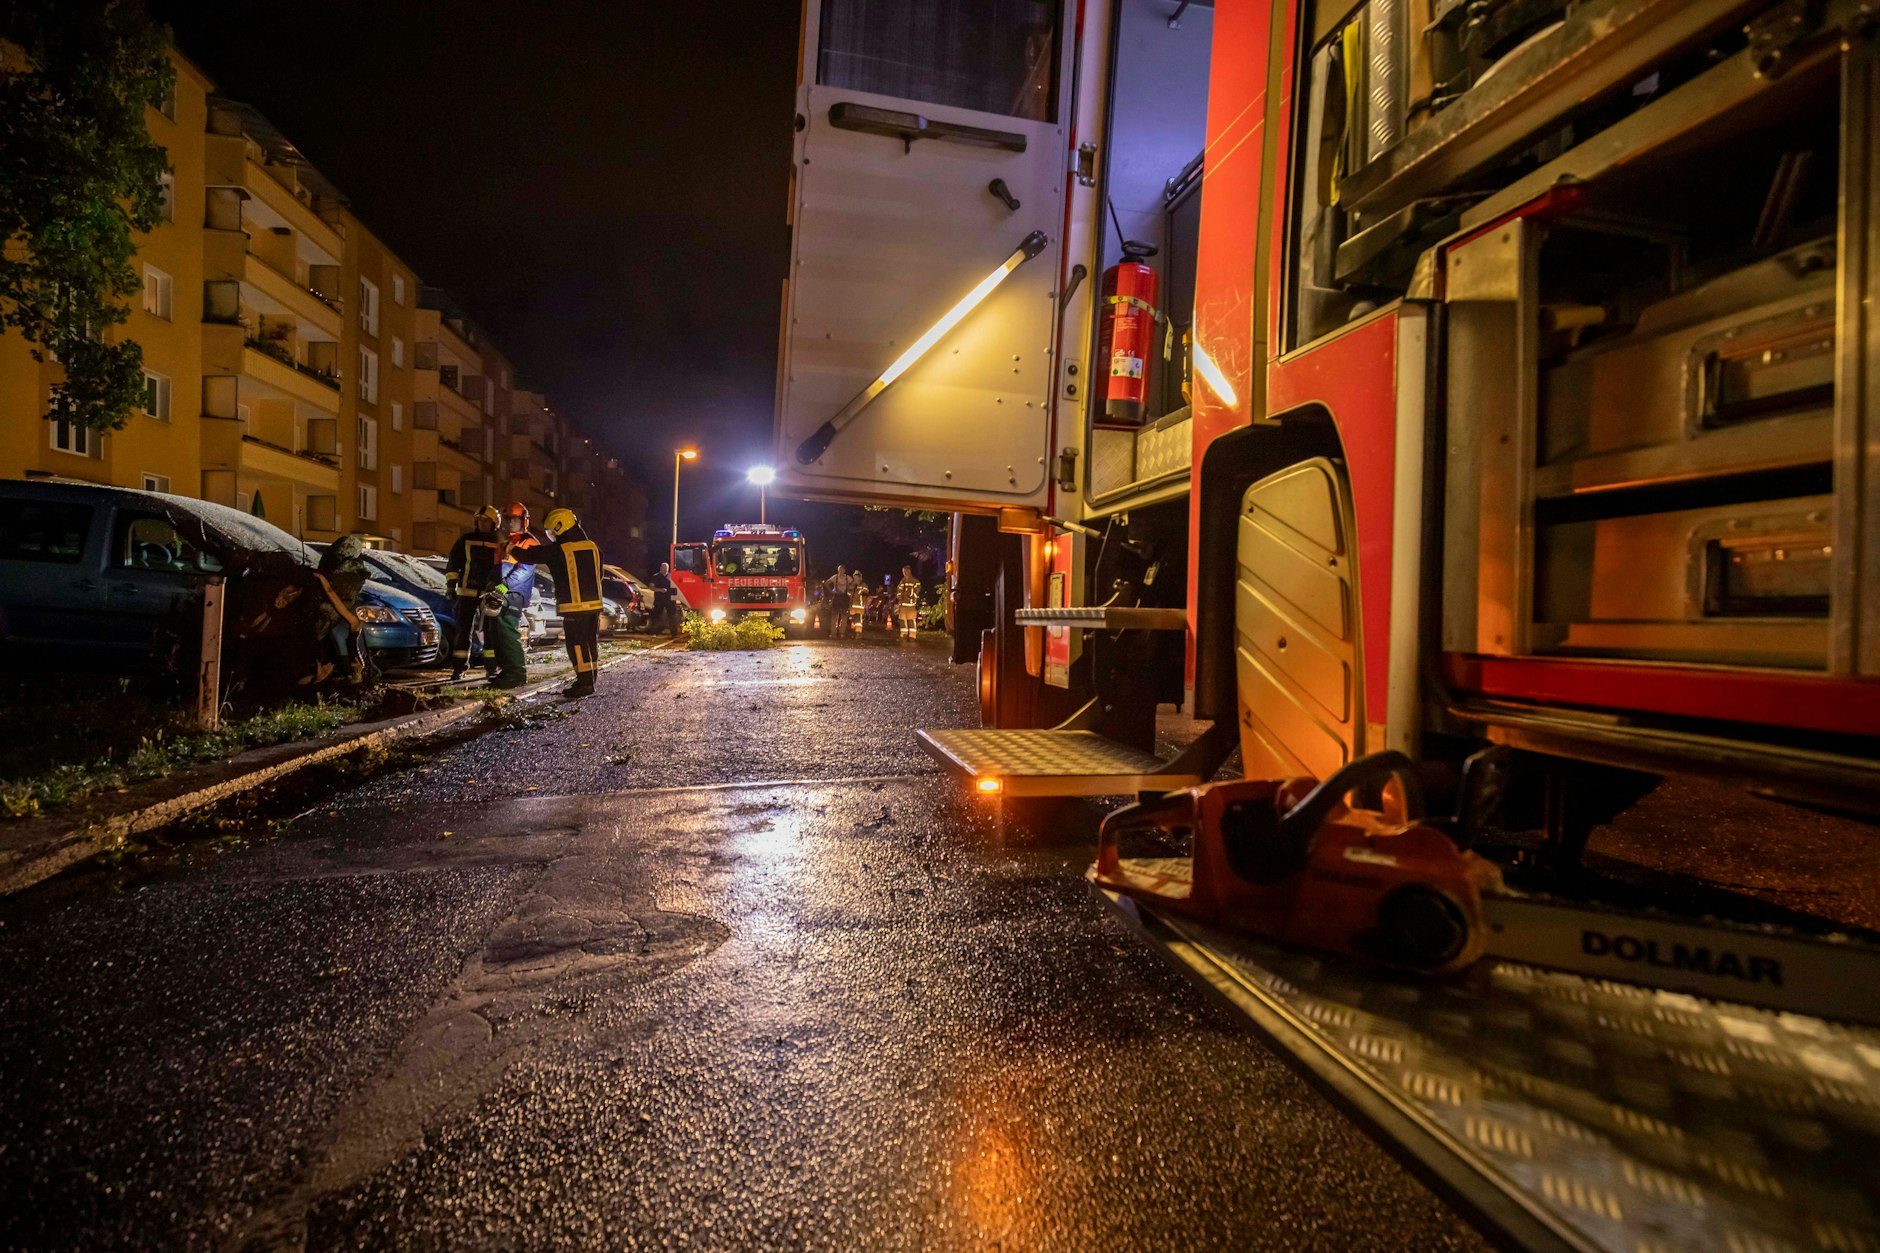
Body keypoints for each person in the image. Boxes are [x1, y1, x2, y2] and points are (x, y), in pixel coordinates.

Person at [507, 507, 605, 697]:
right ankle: (590, 679)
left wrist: (509, 548)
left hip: (573, 607)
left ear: (560, 527)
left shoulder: (559, 549)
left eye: (552, 532)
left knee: (576, 645)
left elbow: (531, 556)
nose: (551, 536)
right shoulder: (594, 547)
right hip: (594, 606)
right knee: (590, 643)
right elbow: (598, 575)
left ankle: (584, 684)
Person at [442, 505, 503, 680]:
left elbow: (506, 573)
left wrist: (500, 593)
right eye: (481, 521)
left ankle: (491, 668)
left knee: (491, 631)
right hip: (467, 591)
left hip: (490, 594)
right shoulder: (465, 540)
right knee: (463, 630)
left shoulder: (500, 542)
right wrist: (450, 587)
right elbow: (454, 563)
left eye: (487, 521)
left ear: (494, 523)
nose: (483, 524)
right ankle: (459, 668)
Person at [483, 503, 537, 688]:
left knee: (507, 632)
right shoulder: (505, 542)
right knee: (498, 633)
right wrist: (492, 584)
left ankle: (516, 673)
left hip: (514, 594)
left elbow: (523, 572)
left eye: (515, 520)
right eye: (508, 520)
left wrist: (501, 588)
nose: (511, 523)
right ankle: (506, 672)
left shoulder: (528, 542)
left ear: (524, 521)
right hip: (504, 591)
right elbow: (498, 568)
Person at [823, 564, 857, 639]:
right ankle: (833, 633)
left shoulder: (848, 578)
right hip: (837, 597)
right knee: (834, 616)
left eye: (842, 570)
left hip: (845, 597)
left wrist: (850, 589)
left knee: (844, 616)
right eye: (839, 570)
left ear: (844, 570)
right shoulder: (835, 577)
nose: (840, 571)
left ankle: (841, 633)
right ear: (838, 570)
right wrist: (831, 591)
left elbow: (854, 584)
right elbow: (826, 583)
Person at [648, 561, 681, 636]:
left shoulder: (671, 576)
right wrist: (660, 590)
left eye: (667, 568)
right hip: (659, 599)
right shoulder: (656, 576)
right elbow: (651, 587)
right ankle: (655, 632)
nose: (666, 569)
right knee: (657, 615)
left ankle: (673, 633)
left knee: (672, 616)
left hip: (670, 599)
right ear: (661, 568)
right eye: (664, 567)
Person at [896, 565, 923, 640]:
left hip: (911, 605)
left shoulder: (915, 581)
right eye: (903, 572)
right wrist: (899, 597)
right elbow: (899, 590)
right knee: (902, 621)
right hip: (903, 605)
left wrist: (911, 596)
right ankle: (904, 635)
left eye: (905, 571)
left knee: (911, 620)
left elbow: (917, 590)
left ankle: (912, 636)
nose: (904, 573)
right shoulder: (902, 581)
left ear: (909, 571)